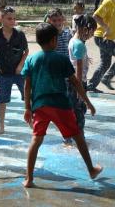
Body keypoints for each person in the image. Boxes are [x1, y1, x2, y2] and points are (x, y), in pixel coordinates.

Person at [21, 23, 102, 188]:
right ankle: (92, 169)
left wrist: (27, 108)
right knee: (78, 136)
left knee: (36, 140)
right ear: (53, 40)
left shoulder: (31, 59)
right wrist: (87, 102)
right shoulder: (61, 59)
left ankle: (29, 179)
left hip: (40, 105)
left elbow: (27, 86)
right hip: (60, 105)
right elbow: (75, 83)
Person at [0, 7, 28, 135]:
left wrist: (21, 65)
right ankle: (2, 126)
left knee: (27, 97)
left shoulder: (20, 35)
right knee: (2, 100)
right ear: (1, 19)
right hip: (3, 73)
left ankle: (32, 122)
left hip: (19, 73)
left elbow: (26, 51)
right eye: (9, 18)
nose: (12, 21)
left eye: (14, 19)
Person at [68, 14, 97, 140]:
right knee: (79, 115)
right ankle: (79, 140)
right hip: (77, 84)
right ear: (86, 29)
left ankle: (70, 138)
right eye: (92, 32)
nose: (92, 35)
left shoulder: (74, 40)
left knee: (77, 110)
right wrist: (80, 91)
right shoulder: (79, 45)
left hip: (73, 83)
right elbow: (78, 71)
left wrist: (85, 57)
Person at [87, 0, 115, 92]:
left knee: (105, 63)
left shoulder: (113, 0)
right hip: (101, 37)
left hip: (105, 38)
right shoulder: (108, 1)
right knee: (105, 63)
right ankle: (107, 78)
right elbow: (95, 16)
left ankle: (91, 86)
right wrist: (106, 28)